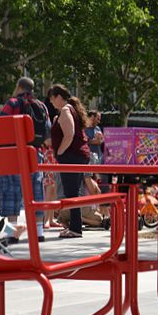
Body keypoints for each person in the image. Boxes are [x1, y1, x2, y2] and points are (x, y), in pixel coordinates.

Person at [0, 77, 51, 243]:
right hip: (34, 153)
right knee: (36, 192)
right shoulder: (41, 106)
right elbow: (48, 134)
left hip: (12, 154)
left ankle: (11, 234)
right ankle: (38, 232)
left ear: (18, 87)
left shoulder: (12, 103)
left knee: (10, 192)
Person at [49, 84, 90, 238]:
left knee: (71, 192)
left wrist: (59, 152)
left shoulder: (66, 110)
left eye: (52, 99)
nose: (51, 102)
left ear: (59, 97)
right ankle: (74, 226)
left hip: (72, 156)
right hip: (76, 156)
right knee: (72, 192)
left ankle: (76, 228)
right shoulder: (67, 110)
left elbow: (69, 134)